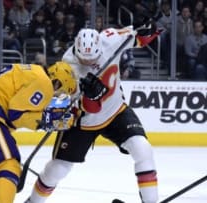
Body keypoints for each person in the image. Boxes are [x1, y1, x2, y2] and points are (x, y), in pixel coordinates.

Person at [26, 26, 161, 203]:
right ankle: (33, 201)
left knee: (142, 149)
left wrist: (148, 31)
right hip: (84, 122)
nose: (88, 63)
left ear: (100, 46)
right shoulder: (68, 65)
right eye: (84, 59)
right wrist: (92, 95)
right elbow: (89, 108)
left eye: (93, 59)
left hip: (115, 110)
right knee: (57, 169)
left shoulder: (110, 38)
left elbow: (138, 38)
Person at [0, 62, 78, 203]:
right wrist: (45, 120)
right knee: (9, 166)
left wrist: (45, 119)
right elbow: (15, 115)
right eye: (60, 91)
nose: (55, 95)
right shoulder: (44, 83)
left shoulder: (33, 71)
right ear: (57, 82)